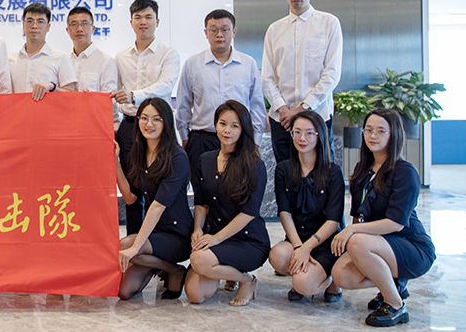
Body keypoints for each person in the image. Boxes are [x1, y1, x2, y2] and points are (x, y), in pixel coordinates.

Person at [330, 109, 435, 327]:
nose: (373, 136)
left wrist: (352, 232)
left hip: (411, 246)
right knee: (341, 275)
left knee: (357, 240)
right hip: (379, 243)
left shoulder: (405, 171)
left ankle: (395, 304)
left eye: (380, 131)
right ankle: (393, 283)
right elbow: (358, 216)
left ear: (393, 134)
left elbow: (396, 223)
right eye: (368, 130)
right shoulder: (362, 169)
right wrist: (353, 234)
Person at [185, 100, 270, 307]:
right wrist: (198, 229)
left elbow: (249, 213)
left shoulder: (254, 164)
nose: (227, 131)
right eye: (222, 124)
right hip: (215, 237)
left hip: (247, 241)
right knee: (195, 295)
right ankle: (227, 272)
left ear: (243, 129)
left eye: (234, 126)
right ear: (215, 125)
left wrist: (216, 239)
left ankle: (247, 280)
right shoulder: (205, 159)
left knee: (199, 260)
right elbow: (201, 203)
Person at [176, 9, 264, 196]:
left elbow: (257, 106)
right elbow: (184, 105)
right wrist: (185, 138)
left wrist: (255, 142)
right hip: (202, 139)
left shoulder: (248, 64)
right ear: (205, 33)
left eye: (225, 29)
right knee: (203, 195)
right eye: (213, 30)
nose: (219, 34)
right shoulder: (193, 64)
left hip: (239, 141)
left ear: (234, 31)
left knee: (237, 193)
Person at [112, 0, 181, 233]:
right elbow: (114, 92)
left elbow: (166, 85)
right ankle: (135, 240)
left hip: (158, 128)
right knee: (132, 188)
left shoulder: (168, 54)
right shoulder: (120, 57)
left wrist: (134, 95)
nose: (143, 22)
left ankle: (161, 241)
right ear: (131, 22)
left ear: (157, 21)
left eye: (148, 17)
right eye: (138, 17)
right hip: (129, 128)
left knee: (158, 184)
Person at [262, 0, 343, 163]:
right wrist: (283, 110)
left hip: (317, 117)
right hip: (282, 120)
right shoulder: (274, 29)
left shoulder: (329, 23)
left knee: (321, 172)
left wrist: (303, 108)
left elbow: (331, 73)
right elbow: (267, 77)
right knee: (285, 173)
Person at [114, 98, 193, 300]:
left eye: (156, 119)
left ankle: (170, 268)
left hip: (177, 235)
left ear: (166, 122)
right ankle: (170, 268)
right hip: (153, 234)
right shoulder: (139, 153)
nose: (149, 124)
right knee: (125, 292)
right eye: (144, 118)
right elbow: (130, 198)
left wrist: (135, 248)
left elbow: (157, 207)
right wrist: (115, 161)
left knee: (126, 246)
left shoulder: (177, 156)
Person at [267, 110, 344, 302]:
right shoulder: (283, 169)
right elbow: (284, 212)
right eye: (297, 132)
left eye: (309, 133)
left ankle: (331, 281)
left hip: (325, 242)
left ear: (320, 135)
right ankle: (306, 273)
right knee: (277, 256)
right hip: (298, 238)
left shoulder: (333, 171)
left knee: (303, 284)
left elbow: (333, 221)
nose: (302, 138)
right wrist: (298, 246)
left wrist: (307, 248)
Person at [9, 2, 77, 100]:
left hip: (50, 110)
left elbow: (71, 95)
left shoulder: (60, 58)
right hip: (18, 110)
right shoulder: (10, 59)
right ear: (23, 25)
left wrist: (52, 87)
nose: (34, 26)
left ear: (48, 27)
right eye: (30, 21)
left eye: (40, 21)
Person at [65, 6, 119, 126]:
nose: (79, 29)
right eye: (74, 24)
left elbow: (110, 100)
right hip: (68, 124)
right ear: (67, 30)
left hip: (97, 124)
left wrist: (90, 99)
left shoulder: (105, 60)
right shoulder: (64, 60)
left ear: (93, 28)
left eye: (84, 24)